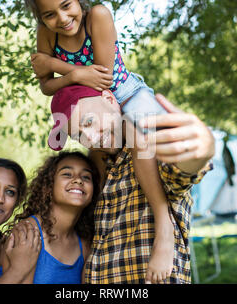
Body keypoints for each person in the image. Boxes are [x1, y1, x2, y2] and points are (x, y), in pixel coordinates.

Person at [21, 0, 177, 283]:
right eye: (50, 14)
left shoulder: (99, 16)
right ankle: (96, 246)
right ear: (41, 17)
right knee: (96, 172)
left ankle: (164, 225)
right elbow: (45, 87)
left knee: (140, 137)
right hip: (88, 104)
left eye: (67, 5)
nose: (62, 19)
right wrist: (77, 73)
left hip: (123, 93)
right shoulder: (46, 31)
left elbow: (103, 79)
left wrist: (54, 65)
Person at [45, 85, 215, 283]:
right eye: (78, 135)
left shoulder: (149, 150)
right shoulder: (97, 174)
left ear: (109, 99)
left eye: (89, 121)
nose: (90, 138)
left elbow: (182, 170)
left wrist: (203, 149)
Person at [4, 151, 100, 284]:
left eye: (86, 177)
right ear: (49, 186)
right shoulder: (27, 232)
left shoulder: (83, 245)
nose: (78, 180)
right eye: (67, 174)